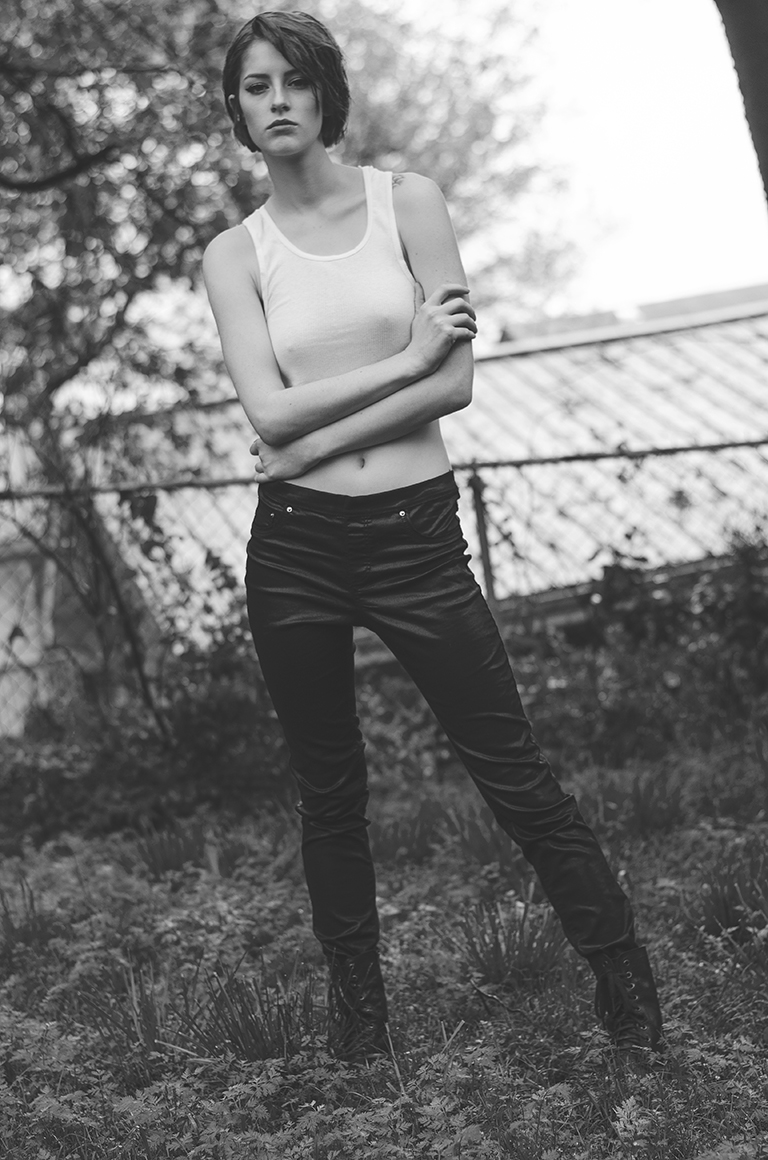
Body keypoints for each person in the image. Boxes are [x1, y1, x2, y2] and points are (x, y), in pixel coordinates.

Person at [203, 9, 664, 1063]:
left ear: (326, 93)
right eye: (255, 86)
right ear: (236, 109)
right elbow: (271, 413)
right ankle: (361, 1029)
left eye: (293, 81)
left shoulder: (407, 202)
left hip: (414, 533)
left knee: (513, 770)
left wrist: (326, 431)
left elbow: (454, 383)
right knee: (330, 795)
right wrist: (404, 360)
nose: (276, 101)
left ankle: (628, 987)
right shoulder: (234, 255)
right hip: (296, 548)